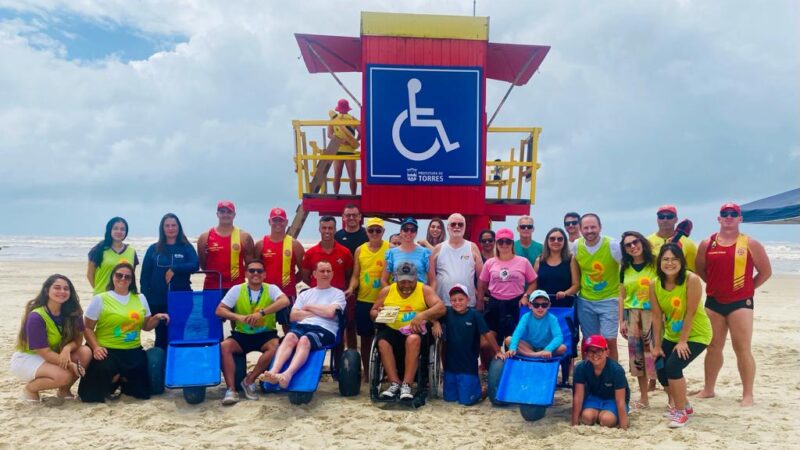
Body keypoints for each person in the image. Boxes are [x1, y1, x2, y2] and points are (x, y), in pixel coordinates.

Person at [693, 203, 771, 407]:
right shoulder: (707, 243)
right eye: (724, 214)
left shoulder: (750, 243)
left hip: (740, 304)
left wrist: (748, 289)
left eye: (733, 214)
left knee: (742, 348)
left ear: (740, 219)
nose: (728, 217)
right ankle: (709, 389)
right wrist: (714, 284)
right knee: (713, 347)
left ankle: (748, 394)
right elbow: (700, 269)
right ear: (719, 219)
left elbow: (765, 272)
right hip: (714, 302)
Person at [79, 263, 169, 402]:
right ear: (113, 277)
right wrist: (96, 347)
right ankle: (116, 377)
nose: (123, 279)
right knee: (91, 395)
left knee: (141, 393)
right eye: (119, 275)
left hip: (132, 350)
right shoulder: (101, 299)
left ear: (132, 280)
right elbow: (87, 328)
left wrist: (156, 317)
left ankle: (120, 378)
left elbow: (146, 326)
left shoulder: (141, 298)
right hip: (106, 350)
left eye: (127, 276)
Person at [650, 243, 713, 427]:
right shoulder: (654, 284)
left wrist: (683, 341)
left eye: (674, 259)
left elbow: (690, 313)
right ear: (659, 262)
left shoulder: (691, 279)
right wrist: (657, 345)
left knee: (673, 366)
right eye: (666, 259)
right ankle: (683, 403)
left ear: (681, 261)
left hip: (696, 334)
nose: (670, 263)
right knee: (660, 366)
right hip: (671, 334)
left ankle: (680, 412)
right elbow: (655, 316)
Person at [215, 259, 290, 405]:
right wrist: (239, 317)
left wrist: (261, 313)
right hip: (242, 334)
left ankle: (249, 380)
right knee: (224, 347)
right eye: (252, 270)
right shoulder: (237, 289)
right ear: (246, 274)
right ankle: (231, 389)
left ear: (264, 275)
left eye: (259, 271)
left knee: (277, 347)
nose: (256, 273)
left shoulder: (271, 288)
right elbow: (220, 309)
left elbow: (285, 301)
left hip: (265, 334)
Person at [264, 261, 347, 388]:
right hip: (303, 326)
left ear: (332, 274)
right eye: (322, 271)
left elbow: (330, 313)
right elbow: (293, 316)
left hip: (325, 329)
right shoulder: (305, 294)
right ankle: (273, 372)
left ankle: (287, 374)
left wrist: (308, 307)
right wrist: (320, 312)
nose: (325, 274)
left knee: (304, 340)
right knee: (289, 337)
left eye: (328, 271)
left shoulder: (338, 293)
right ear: (314, 274)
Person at [371, 262, 445, 400]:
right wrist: (378, 313)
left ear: (416, 278)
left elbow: (441, 308)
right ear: (396, 278)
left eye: (410, 281)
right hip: (392, 328)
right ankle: (394, 383)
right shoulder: (387, 291)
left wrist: (422, 315)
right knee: (382, 343)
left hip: (415, 331)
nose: (406, 285)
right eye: (402, 281)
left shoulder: (424, 290)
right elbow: (373, 312)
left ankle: (407, 384)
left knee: (413, 339)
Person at [11, 275, 92, 402]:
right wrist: (70, 365)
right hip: (29, 357)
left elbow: (78, 340)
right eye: (57, 288)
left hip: (54, 353)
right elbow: (45, 353)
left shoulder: (74, 311)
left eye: (66, 289)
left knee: (85, 352)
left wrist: (66, 348)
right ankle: (30, 389)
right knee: (64, 375)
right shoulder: (36, 316)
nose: (62, 292)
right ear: (46, 290)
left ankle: (64, 391)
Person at [431, 284, 504, 406]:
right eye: (454, 300)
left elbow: (487, 334)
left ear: (468, 300)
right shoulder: (447, 312)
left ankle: (481, 391)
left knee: (466, 401)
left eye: (461, 299)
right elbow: (431, 315)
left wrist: (497, 351)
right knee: (449, 399)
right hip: (450, 368)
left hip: (468, 367)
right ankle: (471, 388)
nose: (457, 303)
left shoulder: (475, 315)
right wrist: (435, 323)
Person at [140, 213, 199, 350]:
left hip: (182, 297)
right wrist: (145, 300)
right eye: (167, 225)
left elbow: (195, 265)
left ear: (178, 227)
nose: (171, 228)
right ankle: (161, 369)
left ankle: (177, 367)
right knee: (161, 336)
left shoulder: (185, 247)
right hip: (158, 300)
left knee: (179, 334)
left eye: (173, 225)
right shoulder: (153, 249)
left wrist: (175, 268)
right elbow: (145, 277)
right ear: (162, 228)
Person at [572, 213, 622, 361]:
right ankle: (590, 372)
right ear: (580, 229)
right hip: (586, 300)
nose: (589, 231)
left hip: (610, 298)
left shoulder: (612, 245)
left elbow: (626, 268)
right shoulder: (577, 245)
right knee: (590, 340)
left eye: (593, 227)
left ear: (600, 227)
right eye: (585, 228)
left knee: (609, 340)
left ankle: (613, 373)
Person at [344, 217, 390, 381]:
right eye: (371, 230)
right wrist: (350, 288)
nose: (375, 233)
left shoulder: (389, 248)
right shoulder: (360, 250)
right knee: (365, 339)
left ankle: (384, 372)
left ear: (383, 232)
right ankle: (368, 373)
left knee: (385, 337)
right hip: (364, 300)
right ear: (366, 232)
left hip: (385, 302)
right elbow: (356, 275)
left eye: (378, 230)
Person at [476, 228, 537, 348]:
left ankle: (512, 366)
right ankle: (490, 366)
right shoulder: (490, 263)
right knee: (487, 343)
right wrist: (480, 301)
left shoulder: (523, 262)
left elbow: (533, 282)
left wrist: (526, 296)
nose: (504, 245)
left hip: (516, 304)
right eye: (501, 242)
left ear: (512, 244)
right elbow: (482, 283)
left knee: (514, 341)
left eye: (508, 242)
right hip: (495, 303)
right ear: (496, 244)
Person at [618, 231, 657, 408]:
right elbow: (622, 295)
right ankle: (644, 398)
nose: (633, 246)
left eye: (635, 242)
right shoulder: (624, 268)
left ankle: (671, 397)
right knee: (637, 358)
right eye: (628, 245)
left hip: (652, 314)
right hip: (632, 313)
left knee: (657, 355)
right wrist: (621, 321)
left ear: (642, 242)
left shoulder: (655, 264)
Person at [255, 207, 305, 335]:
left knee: (290, 329)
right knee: (263, 330)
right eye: (275, 220)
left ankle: (290, 353)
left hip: (287, 293)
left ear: (286, 222)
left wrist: (291, 281)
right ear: (269, 222)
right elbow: (254, 269)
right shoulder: (261, 244)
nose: (278, 223)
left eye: (281, 220)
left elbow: (303, 270)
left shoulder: (295, 245)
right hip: (265, 294)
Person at [571, 335, 630, 429]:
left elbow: (620, 401)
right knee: (587, 418)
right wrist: (574, 423)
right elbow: (578, 397)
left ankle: (608, 415)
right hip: (593, 398)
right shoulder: (580, 368)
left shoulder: (616, 370)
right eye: (590, 351)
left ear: (607, 352)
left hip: (612, 400)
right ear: (586, 353)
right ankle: (599, 414)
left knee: (606, 420)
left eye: (599, 350)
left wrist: (624, 427)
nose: (594, 355)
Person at [197, 201, 255, 293]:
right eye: (222, 212)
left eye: (229, 212)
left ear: (234, 215)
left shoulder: (244, 237)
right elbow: (204, 265)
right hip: (212, 287)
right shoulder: (205, 237)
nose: (225, 215)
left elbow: (251, 265)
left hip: (236, 288)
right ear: (217, 214)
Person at [429, 213, 483, 307]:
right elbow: (431, 278)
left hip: (468, 303)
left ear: (465, 227)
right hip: (442, 302)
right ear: (448, 227)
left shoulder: (472, 247)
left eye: (460, 224)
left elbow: (481, 277)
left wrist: (480, 299)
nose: (457, 227)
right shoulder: (438, 248)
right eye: (453, 224)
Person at [506, 290, 566, 358]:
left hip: (546, 348)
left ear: (549, 305)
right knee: (509, 340)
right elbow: (517, 333)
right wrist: (512, 348)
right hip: (530, 347)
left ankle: (530, 355)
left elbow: (559, 337)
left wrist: (548, 349)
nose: (540, 308)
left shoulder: (552, 318)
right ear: (530, 305)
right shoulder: (526, 317)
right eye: (536, 305)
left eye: (544, 305)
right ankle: (537, 355)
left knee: (562, 348)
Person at [87, 217, 138, 295]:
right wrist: (99, 291)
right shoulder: (98, 250)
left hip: (123, 296)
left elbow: (130, 276)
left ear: (126, 232)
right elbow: (90, 275)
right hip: (103, 296)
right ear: (109, 230)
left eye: (122, 229)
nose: (119, 231)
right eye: (115, 228)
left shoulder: (131, 251)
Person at [533, 228, 579, 307]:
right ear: (547, 241)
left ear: (564, 242)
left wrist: (565, 293)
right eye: (552, 239)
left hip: (564, 306)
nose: (556, 241)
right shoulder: (539, 260)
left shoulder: (571, 259)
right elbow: (533, 284)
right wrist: (526, 296)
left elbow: (576, 285)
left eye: (560, 239)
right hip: (542, 307)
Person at [381, 217, 431, 286]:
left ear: (416, 233)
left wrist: (427, 295)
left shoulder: (425, 253)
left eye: (412, 230)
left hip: (419, 295)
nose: (409, 232)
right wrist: (392, 294)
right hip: (397, 294)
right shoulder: (391, 253)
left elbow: (433, 281)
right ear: (401, 232)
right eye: (405, 229)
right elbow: (383, 280)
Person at [647, 205, 698, 271]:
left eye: (669, 217)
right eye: (661, 217)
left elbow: (693, 270)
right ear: (657, 220)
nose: (665, 220)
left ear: (676, 219)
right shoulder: (647, 242)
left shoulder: (688, 243)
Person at [327, 98, 360, 195]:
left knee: (337, 174)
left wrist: (341, 141)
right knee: (352, 176)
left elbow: (329, 135)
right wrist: (354, 141)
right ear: (348, 109)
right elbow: (362, 133)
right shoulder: (353, 119)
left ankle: (336, 194)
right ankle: (353, 195)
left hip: (338, 149)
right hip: (350, 150)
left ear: (338, 109)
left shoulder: (333, 119)